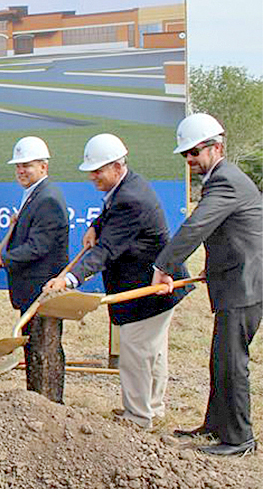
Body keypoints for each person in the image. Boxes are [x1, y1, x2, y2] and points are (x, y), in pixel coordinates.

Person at [44, 133, 192, 428]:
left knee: (136, 353)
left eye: (97, 170)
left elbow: (106, 251)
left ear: (116, 166)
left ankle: (137, 418)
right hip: (152, 287)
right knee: (153, 351)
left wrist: (69, 279)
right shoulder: (127, 185)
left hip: (148, 289)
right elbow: (110, 215)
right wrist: (95, 225)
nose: (92, 176)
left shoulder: (131, 198)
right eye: (91, 170)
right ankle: (153, 408)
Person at [151, 114, 261, 456]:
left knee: (232, 362)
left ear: (217, 148)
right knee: (220, 359)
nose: (190, 159)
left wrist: (163, 266)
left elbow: (196, 226)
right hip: (234, 280)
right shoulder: (220, 179)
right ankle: (216, 426)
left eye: (195, 151)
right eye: (185, 153)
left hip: (245, 285)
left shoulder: (226, 180)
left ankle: (240, 439)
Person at [0, 137, 68, 402]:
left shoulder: (48, 198)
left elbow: (38, 246)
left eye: (27, 166)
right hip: (31, 289)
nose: (21, 171)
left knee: (45, 349)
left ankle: (50, 403)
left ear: (43, 166)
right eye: (18, 166)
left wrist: (3, 260)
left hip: (42, 290)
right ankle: (36, 399)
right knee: (34, 347)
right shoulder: (35, 195)